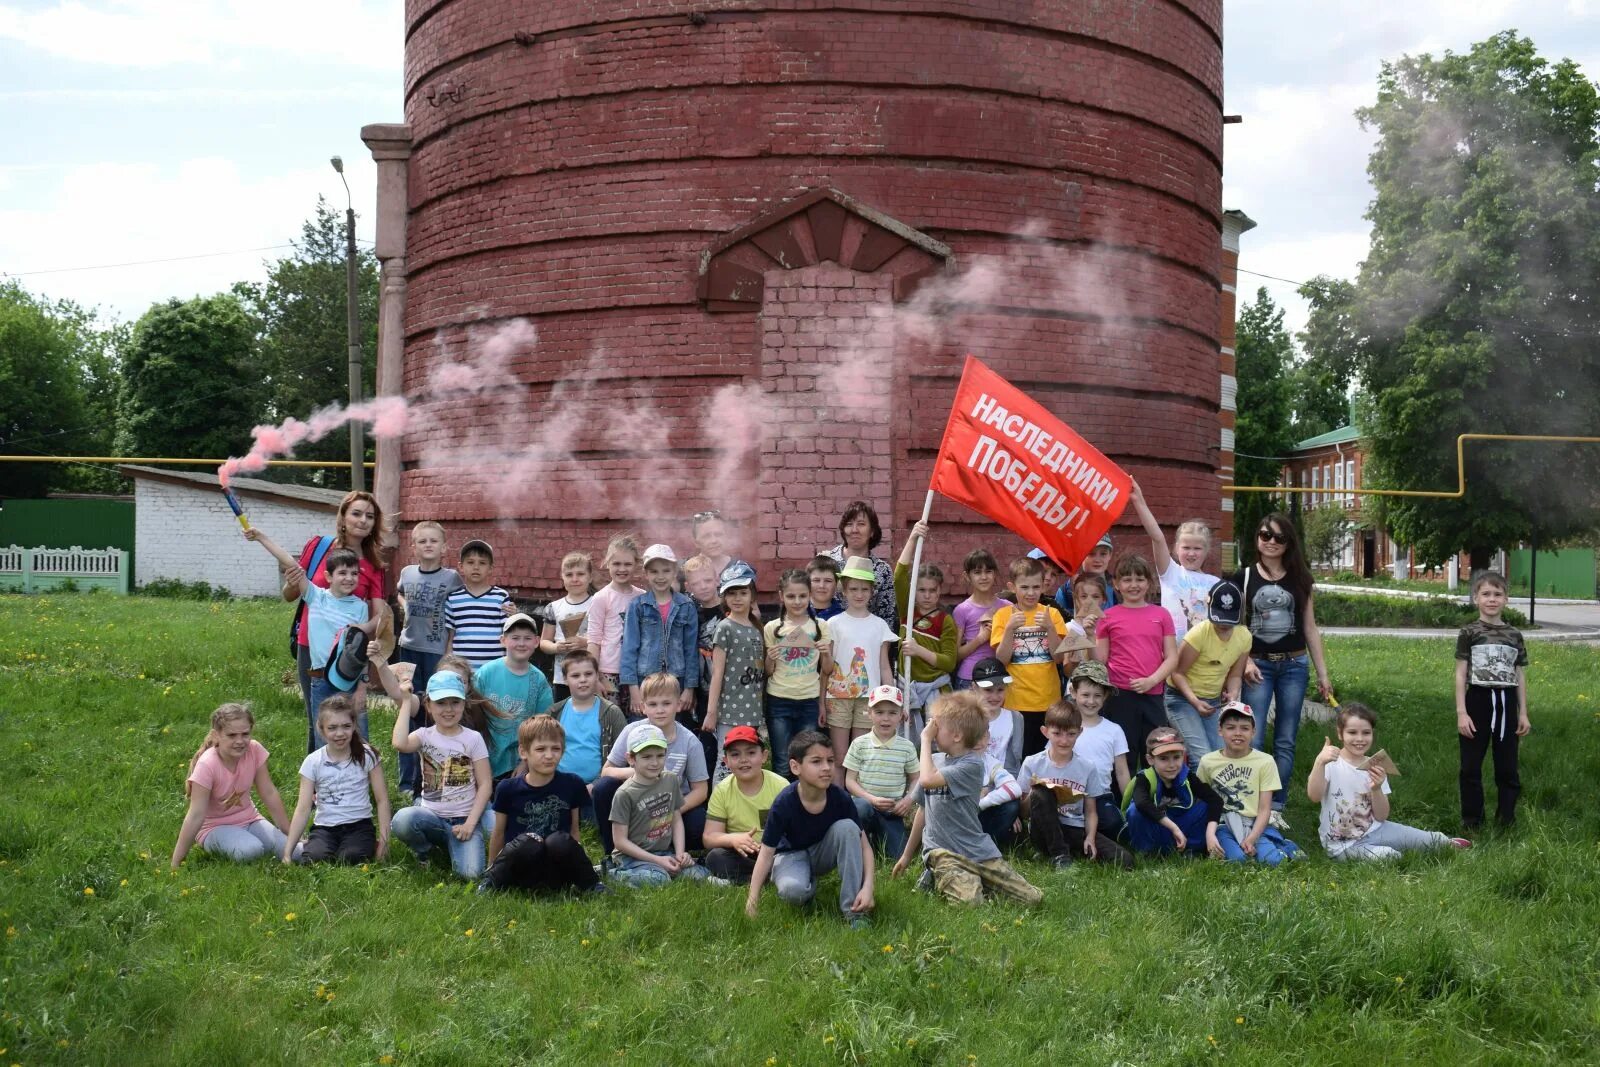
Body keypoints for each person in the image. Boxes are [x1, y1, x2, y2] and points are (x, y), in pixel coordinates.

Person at [1228, 511, 1333, 828]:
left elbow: (1310, 628)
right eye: (1265, 535)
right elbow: (1234, 626)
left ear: (1289, 543)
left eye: (1279, 537)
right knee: (1254, 737)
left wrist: (1323, 675)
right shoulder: (1243, 577)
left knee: (1286, 740)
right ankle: (1250, 805)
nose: (1271, 542)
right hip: (1256, 665)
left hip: (1294, 665)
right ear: (1257, 539)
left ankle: (1277, 806)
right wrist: (1244, 660)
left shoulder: (1301, 579)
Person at [892, 692, 1043, 905]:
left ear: (956, 736)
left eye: (937, 725)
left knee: (1032, 899)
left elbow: (926, 780)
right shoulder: (934, 761)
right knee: (971, 904)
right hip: (942, 851)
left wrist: (924, 739)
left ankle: (973, 879)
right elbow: (923, 810)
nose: (931, 730)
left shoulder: (972, 765)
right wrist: (907, 856)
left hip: (977, 848)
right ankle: (941, 874)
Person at [246, 525, 378, 749]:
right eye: (342, 573)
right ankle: (324, 781)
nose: (349, 578)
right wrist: (261, 537)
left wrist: (362, 687)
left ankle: (360, 779)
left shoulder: (359, 608)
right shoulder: (316, 597)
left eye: (354, 573)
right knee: (324, 738)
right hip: (320, 681)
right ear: (328, 576)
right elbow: (290, 563)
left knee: (358, 737)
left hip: (349, 682)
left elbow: (360, 653)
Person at [281, 491, 388, 746]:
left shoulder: (374, 565)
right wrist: (292, 583)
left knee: (353, 717)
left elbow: (381, 616)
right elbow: (289, 595)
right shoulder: (318, 547)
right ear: (343, 517)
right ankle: (316, 781)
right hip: (312, 648)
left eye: (370, 516)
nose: (363, 520)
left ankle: (358, 776)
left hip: (348, 654)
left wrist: (360, 631)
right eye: (356, 513)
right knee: (317, 718)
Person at [1309, 703, 1472, 860]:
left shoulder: (1374, 764)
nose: (1360, 738)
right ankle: (1384, 853)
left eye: (1366, 733)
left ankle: (1445, 844)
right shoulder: (1331, 763)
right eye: (1352, 732)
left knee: (1431, 841)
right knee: (1390, 856)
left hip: (1377, 829)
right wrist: (1319, 762)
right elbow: (1314, 796)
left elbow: (1381, 816)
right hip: (1343, 845)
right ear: (1340, 733)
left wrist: (1377, 788)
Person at [744, 731, 874, 927]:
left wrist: (868, 888)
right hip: (790, 855)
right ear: (795, 767)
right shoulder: (783, 803)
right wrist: (752, 902)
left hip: (822, 853)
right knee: (793, 892)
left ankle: (854, 911)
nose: (826, 768)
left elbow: (865, 847)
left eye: (830, 761)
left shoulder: (840, 798)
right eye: (816, 761)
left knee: (848, 828)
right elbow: (766, 853)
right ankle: (803, 883)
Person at [382, 666, 493, 880]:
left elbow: (486, 784)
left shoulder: (473, 739)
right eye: (441, 703)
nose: (448, 709)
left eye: (455, 702)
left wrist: (470, 823)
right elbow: (399, 743)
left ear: (464, 704)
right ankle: (426, 849)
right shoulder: (424, 735)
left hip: (463, 819)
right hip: (431, 816)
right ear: (428, 706)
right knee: (403, 820)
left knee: (469, 875)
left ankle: (456, 843)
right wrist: (405, 702)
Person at [481, 715, 602, 893]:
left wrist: (578, 865)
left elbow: (574, 832)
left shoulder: (572, 784)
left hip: (556, 868)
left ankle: (592, 885)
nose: (549, 755)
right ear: (523, 752)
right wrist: (492, 869)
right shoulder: (507, 788)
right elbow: (498, 834)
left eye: (555, 749)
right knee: (529, 841)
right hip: (522, 867)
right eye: (540, 749)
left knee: (558, 840)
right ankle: (490, 884)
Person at [593, 673, 711, 855]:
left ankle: (671, 849)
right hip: (636, 805)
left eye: (666, 703)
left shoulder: (689, 741)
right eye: (653, 704)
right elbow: (606, 771)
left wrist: (672, 810)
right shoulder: (631, 731)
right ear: (643, 707)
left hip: (672, 806)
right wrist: (635, 773)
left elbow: (701, 790)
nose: (660, 710)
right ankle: (613, 849)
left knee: (699, 821)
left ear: (678, 705)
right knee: (603, 788)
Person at [171, 703, 297, 867]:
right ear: (216, 736)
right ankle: (238, 843)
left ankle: (259, 840)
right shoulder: (207, 765)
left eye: (245, 734)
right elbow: (195, 815)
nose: (240, 741)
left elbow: (268, 792)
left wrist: (288, 832)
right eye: (231, 735)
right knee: (251, 850)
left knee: (296, 851)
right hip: (214, 828)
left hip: (250, 819)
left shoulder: (254, 750)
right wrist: (176, 861)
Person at [1455, 571, 1530, 830]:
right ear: (1476, 598)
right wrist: (1461, 712)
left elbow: (1519, 674)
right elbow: (1460, 673)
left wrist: (1523, 713)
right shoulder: (1469, 632)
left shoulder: (1514, 635)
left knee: (1507, 767)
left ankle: (1506, 821)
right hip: (1477, 700)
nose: (1492, 599)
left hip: (1506, 701)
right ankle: (1472, 822)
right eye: (1486, 594)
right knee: (1470, 767)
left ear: (1506, 599)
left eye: (1497, 594)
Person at [1019, 700, 1133, 870]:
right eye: (1057, 733)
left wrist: (1090, 837)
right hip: (1043, 829)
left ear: (1080, 732)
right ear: (1045, 732)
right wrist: (1036, 792)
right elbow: (1023, 811)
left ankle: (1071, 849)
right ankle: (1059, 855)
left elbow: (1091, 810)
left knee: (1125, 860)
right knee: (1041, 791)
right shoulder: (1032, 763)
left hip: (1074, 827)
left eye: (1071, 734)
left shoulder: (1087, 767)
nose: (1064, 741)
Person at [1094, 554, 1179, 773]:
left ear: (1149, 582)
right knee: (1124, 754)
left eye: (1139, 579)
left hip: (1153, 694)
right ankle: (1122, 802)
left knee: (1157, 751)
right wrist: (1086, 635)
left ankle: (1156, 799)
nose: (1134, 585)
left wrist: (1152, 680)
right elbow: (1100, 660)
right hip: (1120, 696)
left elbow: (1172, 657)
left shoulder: (1161, 615)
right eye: (1127, 580)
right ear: (1116, 584)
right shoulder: (1107, 617)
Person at [394, 520, 461, 794]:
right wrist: (404, 605)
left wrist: (449, 652)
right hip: (408, 649)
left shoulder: (452, 578)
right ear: (414, 547)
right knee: (408, 711)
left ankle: (433, 778)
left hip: (436, 653)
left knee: (433, 714)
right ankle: (407, 782)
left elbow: (459, 614)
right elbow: (399, 594)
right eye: (422, 541)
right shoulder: (407, 573)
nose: (428, 545)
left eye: (433, 541)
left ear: (444, 547)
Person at [282, 695, 390, 865]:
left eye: (346, 726)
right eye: (332, 728)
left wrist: (384, 843)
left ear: (354, 725)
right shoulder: (313, 761)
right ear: (321, 729)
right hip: (325, 828)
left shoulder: (367, 755)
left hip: (359, 825)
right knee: (313, 859)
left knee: (350, 858)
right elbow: (302, 808)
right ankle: (323, 846)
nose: (340, 733)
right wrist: (288, 852)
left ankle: (367, 845)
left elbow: (382, 800)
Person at [1196, 701, 1302, 865]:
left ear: (1253, 732)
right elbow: (1201, 802)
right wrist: (1209, 833)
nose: (1238, 733)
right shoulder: (1207, 762)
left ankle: (1284, 845)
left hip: (1254, 822)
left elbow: (1265, 808)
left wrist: (1252, 837)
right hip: (1223, 824)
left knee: (1273, 861)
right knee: (1236, 860)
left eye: (1244, 728)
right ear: (1220, 730)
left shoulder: (1265, 761)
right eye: (1230, 727)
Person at [607, 724, 710, 888]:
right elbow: (620, 841)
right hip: (631, 857)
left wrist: (680, 854)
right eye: (646, 757)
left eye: (660, 756)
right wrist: (657, 861)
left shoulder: (670, 780)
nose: (655, 762)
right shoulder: (624, 794)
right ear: (631, 759)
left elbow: (676, 820)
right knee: (659, 880)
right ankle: (613, 873)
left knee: (700, 875)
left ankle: (665, 868)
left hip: (663, 851)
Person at [1165, 579, 1250, 767]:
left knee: (1221, 755)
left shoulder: (1244, 637)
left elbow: (1235, 675)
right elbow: (1177, 673)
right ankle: (1199, 797)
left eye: (1230, 620)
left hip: (1213, 701)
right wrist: (1194, 701)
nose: (1224, 625)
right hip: (1182, 699)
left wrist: (1233, 695)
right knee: (1202, 757)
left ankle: (1217, 796)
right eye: (1219, 618)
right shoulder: (1199, 634)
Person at [990, 555, 1067, 757]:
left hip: (1048, 701)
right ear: (1012, 586)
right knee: (1019, 757)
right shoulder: (1003, 615)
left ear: (1043, 586)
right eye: (1024, 587)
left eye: (1036, 587)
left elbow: (1059, 658)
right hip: (1016, 701)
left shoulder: (1053, 614)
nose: (1031, 593)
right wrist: (1009, 630)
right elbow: (1001, 660)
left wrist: (1050, 628)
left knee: (1046, 758)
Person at [825, 556, 900, 764]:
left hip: (870, 697)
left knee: (861, 755)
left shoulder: (879, 625)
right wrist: (822, 700)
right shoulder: (834, 623)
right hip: (838, 695)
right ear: (844, 590)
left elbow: (884, 665)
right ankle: (840, 795)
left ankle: (857, 795)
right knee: (840, 756)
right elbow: (827, 666)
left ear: (872, 592)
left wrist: (892, 696)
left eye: (864, 589)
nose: (859, 594)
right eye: (854, 589)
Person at [763, 568, 833, 778]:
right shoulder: (772, 628)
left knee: (807, 759)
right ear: (781, 596)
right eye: (791, 596)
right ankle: (783, 806)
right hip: (779, 700)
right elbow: (768, 671)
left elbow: (827, 670)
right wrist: (771, 657)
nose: (797, 601)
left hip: (809, 701)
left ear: (810, 596)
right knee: (783, 761)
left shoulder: (820, 626)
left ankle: (805, 804)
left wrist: (826, 654)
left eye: (802, 596)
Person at [1128, 481, 1217, 640]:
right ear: (1176, 548)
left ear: (1207, 551)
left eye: (1197, 549)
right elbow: (1157, 537)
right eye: (1186, 548)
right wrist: (1138, 500)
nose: (1191, 554)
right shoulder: (1171, 572)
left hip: (1204, 659)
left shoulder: (1216, 583)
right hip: (1171, 655)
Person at [893, 520, 958, 736]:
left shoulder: (945, 620)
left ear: (939, 591)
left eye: (932, 590)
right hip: (907, 689)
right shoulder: (907, 611)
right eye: (921, 590)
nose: (927, 595)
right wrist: (912, 538)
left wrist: (919, 651)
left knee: (939, 743)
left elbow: (949, 662)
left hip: (936, 691)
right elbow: (899, 576)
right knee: (909, 744)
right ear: (914, 591)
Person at [702, 725, 789, 884]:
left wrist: (772, 846)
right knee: (715, 858)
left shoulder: (781, 786)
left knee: (790, 857)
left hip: (775, 851)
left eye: (751, 752)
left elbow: (793, 830)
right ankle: (760, 879)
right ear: (726, 761)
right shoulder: (722, 790)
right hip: (743, 853)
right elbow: (709, 837)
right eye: (735, 755)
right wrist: (734, 839)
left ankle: (747, 879)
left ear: (764, 756)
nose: (743, 760)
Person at [473, 613, 555, 781]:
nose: (521, 643)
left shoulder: (538, 680)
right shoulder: (485, 674)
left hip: (517, 764)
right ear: (503, 640)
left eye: (527, 638)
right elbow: (470, 715)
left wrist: (526, 762)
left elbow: (542, 726)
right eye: (515, 638)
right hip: (482, 757)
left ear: (537, 641)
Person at [620, 544, 700, 712]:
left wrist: (690, 688)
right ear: (646, 574)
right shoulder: (637, 606)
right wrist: (633, 689)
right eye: (654, 572)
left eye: (666, 570)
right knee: (644, 729)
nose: (660, 577)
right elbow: (629, 648)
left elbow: (691, 649)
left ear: (674, 572)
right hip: (645, 680)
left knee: (673, 729)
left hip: (677, 680)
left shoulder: (686, 606)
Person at [1122, 727, 1223, 858]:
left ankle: (1192, 849)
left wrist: (1210, 834)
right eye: (1163, 759)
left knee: (1204, 806)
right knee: (1135, 811)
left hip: (1179, 830)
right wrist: (1173, 827)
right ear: (1150, 759)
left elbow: (1216, 800)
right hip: (1157, 829)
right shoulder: (1144, 778)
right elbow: (1141, 803)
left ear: (1184, 756)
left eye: (1176, 757)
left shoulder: (1187, 776)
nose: (1172, 765)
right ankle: (1147, 853)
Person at [843, 685, 919, 859]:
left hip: (892, 810)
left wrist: (907, 800)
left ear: (901, 715)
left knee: (896, 855)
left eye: (892, 713)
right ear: (869, 713)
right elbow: (849, 781)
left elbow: (916, 778)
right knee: (860, 808)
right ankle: (863, 839)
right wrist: (871, 799)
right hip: (865, 804)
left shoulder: (906, 747)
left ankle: (878, 837)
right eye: (879, 712)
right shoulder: (859, 744)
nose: (885, 718)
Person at [704, 561, 766, 774]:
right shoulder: (725, 628)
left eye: (742, 592)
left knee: (748, 765)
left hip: (753, 711)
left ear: (752, 595)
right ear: (724, 597)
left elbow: (763, 671)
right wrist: (711, 712)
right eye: (731, 593)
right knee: (726, 764)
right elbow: (717, 673)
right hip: (730, 711)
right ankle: (720, 806)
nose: (737, 598)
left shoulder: (757, 628)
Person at [1064, 660, 1130, 839]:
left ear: (1105, 696)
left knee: (1113, 823)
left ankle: (1083, 835)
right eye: (1085, 695)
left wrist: (1129, 804)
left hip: (1101, 795)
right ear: (1073, 692)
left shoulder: (1114, 730)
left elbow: (1122, 772)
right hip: (1068, 795)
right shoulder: (1065, 727)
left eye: (1097, 695)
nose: (1091, 701)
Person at [552, 650, 627, 799]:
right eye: (575, 676)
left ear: (597, 676)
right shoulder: (554, 713)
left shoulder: (612, 713)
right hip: (559, 787)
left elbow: (623, 756)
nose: (583, 680)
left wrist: (596, 785)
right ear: (565, 679)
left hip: (598, 789)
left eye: (588, 674)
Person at [586, 533, 646, 715]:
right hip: (608, 672)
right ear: (607, 563)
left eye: (627, 564)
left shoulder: (642, 596)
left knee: (638, 720)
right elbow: (593, 640)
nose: (622, 569)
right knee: (611, 721)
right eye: (616, 564)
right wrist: (594, 676)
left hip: (637, 671)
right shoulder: (601, 598)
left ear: (636, 564)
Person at [824, 500, 898, 634]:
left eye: (861, 524)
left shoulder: (882, 570)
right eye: (849, 524)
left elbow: (887, 617)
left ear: (872, 531)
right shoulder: (827, 562)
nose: (854, 530)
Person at [443, 539, 512, 669]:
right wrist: (448, 665)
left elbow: (507, 635)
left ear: (490, 568)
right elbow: (450, 638)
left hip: (493, 668)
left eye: (482, 563)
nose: (476, 567)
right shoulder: (453, 598)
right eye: (470, 562)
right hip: (462, 669)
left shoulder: (500, 596)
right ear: (461, 566)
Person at [539, 550, 593, 704]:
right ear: (562, 577)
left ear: (590, 577)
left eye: (580, 574)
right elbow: (544, 642)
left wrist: (584, 643)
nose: (575, 579)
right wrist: (556, 647)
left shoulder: (598, 603)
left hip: (590, 675)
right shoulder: (554, 607)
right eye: (569, 575)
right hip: (562, 678)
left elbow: (607, 638)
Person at [952, 547, 1010, 691]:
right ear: (967, 576)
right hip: (969, 679)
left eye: (988, 571)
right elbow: (955, 656)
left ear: (995, 574)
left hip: (999, 677)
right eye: (977, 572)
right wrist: (980, 638)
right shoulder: (962, 610)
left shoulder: (1008, 607)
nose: (984, 577)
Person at [971, 658, 1024, 777]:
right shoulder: (964, 717)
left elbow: (1015, 760)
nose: (995, 696)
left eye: (1000, 689)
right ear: (974, 687)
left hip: (1002, 785)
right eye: (988, 690)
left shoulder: (1016, 718)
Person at [1058, 573, 1106, 668]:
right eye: (1084, 596)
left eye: (1095, 597)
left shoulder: (1108, 626)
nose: (1089, 601)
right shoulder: (1069, 628)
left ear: (1103, 599)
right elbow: (1067, 671)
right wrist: (1073, 664)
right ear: (1076, 599)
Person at [807, 554, 845, 619]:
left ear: (837, 584)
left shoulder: (843, 618)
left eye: (828, 581)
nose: (821, 586)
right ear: (807, 582)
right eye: (816, 580)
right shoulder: (795, 612)